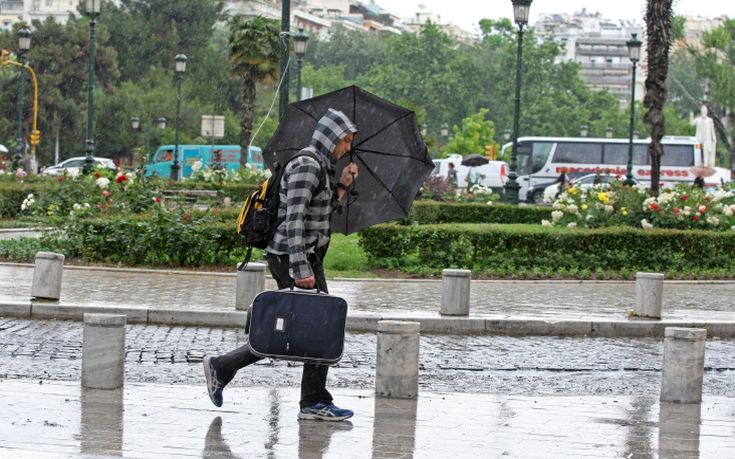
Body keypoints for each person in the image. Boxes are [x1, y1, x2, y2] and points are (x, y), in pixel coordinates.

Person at [203, 108, 358, 422]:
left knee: (307, 328)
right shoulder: (307, 166)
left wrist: (341, 185)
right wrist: (300, 269)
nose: (347, 148)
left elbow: (318, 213)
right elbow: (294, 220)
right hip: (293, 258)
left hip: (305, 257)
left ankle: (225, 366)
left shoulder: (322, 168)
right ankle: (312, 400)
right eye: (345, 141)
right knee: (321, 326)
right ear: (331, 139)